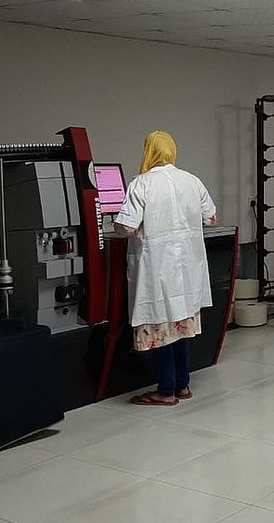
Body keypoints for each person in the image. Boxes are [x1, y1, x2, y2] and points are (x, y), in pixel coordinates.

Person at [114, 131, 216, 406]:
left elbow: (127, 227)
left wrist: (116, 224)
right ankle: (182, 385)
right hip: (186, 271)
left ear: (148, 151)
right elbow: (211, 217)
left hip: (157, 270)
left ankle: (166, 391)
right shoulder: (192, 181)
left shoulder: (141, 184)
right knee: (180, 325)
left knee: (161, 327)